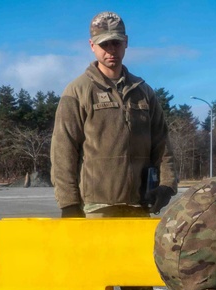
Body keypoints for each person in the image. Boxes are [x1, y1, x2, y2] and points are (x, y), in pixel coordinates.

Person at [51, 11, 177, 220]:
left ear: (126, 43)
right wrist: (69, 203)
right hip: (95, 208)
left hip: (140, 205)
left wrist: (166, 185)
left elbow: (162, 144)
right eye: (104, 45)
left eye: (116, 43)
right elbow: (63, 151)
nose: (111, 50)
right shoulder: (77, 91)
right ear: (92, 46)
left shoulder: (144, 92)